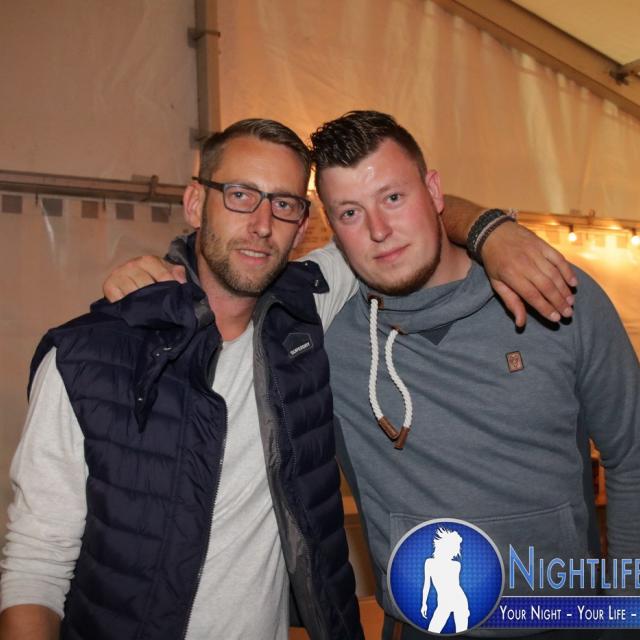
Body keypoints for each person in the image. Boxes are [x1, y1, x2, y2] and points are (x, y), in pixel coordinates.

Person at [0, 119, 365, 640]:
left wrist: (484, 233)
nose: (262, 224)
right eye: (241, 195)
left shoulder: (307, 312)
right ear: (196, 204)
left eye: (284, 203)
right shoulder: (85, 357)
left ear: (302, 226)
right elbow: (36, 566)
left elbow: (408, 217)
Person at [310, 111, 640, 639]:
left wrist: (626, 617)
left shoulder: (554, 293)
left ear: (434, 191)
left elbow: (633, 457)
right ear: (331, 227)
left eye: (393, 197)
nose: (378, 230)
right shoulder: (324, 336)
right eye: (350, 212)